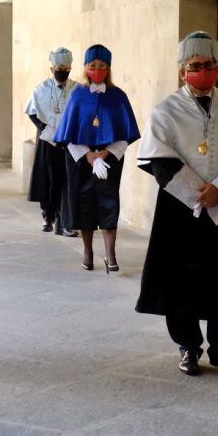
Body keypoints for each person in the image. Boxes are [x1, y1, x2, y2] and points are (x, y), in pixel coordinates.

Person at [136, 32, 218, 379]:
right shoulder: (165, 111)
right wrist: (197, 193)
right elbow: (157, 160)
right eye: (195, 66)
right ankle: (188, 348)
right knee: (179, 282)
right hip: (180, 211)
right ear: (183, 71)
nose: (203, 72)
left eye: (209, 66)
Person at [53, 44, 140, 272]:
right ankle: (88, 251)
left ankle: (110, 254)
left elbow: (125, 133)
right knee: (85, 205)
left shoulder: (118, 96)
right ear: (85, 67)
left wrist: (106, 154)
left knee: (109, 203)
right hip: (82, 159)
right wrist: (89, 155)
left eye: (102, 66)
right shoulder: (78, 95)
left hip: (110, 158)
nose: (97, 70)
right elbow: (67, 135)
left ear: (109, 68)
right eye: (93, 66)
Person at [25, 47, 79, 236]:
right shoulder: (40, 89)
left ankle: (63, 222)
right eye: (58, 67)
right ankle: (47, 216)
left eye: (65, 67)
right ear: (51, 68)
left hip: (68, 143)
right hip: (47, 141)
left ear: (70, 67)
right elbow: (32, 113)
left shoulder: (77, 89)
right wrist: (46, 130)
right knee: (46, 180)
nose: (62, 70)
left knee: (65, 181)